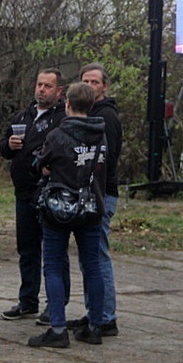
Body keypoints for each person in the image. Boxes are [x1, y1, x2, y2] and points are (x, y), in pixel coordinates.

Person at [28, 82, 107, 348]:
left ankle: (58, 327)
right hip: (92, 206)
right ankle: (96, 325)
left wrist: (44, 167)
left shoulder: (58, 135)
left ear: (67, 104)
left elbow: (39, 163)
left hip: (59, 208)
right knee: (92, 266)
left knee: (52, 265)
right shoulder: (101, 135)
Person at [0, 68, 67, 323]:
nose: (41, 90)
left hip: (49, 193)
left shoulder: (62, 118)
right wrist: (9, 145)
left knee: (53, 252)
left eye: (48, 86)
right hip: (24, 192)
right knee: (26, 250)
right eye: (39, 84)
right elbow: (3, 146)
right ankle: (28, 300)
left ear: (59, 91)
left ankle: (55, 305)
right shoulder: (24, 115)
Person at [67, 63, 121, 336]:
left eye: (94, 82)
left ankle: (105, 317)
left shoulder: (106, 117)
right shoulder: (89, 115)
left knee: (98, 256)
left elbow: (104, 159)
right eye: (85, 81)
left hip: (102, 194)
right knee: (89, 258)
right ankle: (94, 311)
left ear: (104, 87)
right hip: (89, 193)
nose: (89, 86)